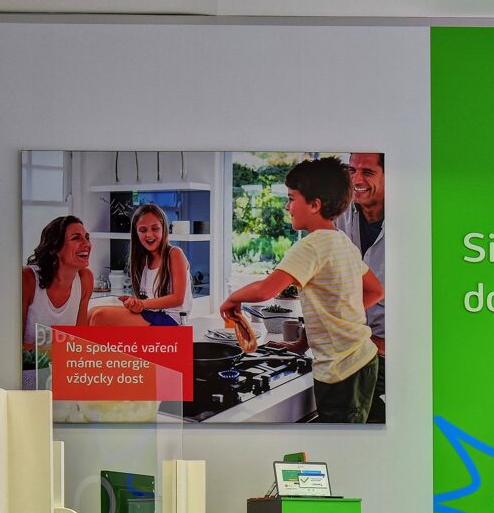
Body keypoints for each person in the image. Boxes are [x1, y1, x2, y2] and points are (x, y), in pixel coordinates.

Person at [220, 157, 383, 423]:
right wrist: (304, 342)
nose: (287, 207)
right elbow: (375, 291)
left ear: (315, 205)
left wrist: (232, 299)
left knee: (340, 444)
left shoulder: (310, 246)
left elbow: (264, 290)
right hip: (364, 361)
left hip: (340, 372)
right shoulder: (342, 242)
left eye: (291, 198)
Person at [335, 152, 386, 422]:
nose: (356, 180)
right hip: (351, 352)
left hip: (389, 357)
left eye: (367, 172)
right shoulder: (340, 218)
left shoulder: (412, 225)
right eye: (352, 171)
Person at [87, 203, 190, 327]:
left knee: (99, 317)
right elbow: (146, 298)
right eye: (143, 230)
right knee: (91, 313)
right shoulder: (144, 260)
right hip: (152, 313)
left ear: (164, 229)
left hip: (171, 319)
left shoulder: (174, 254)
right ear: (136, 233)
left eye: (155, 228)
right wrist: (134, 303)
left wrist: (141, 303)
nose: (149, 234)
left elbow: (178, 299)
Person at [22, 215, 95, 351]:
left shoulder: (85, 279)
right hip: (29, 364)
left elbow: (80, 341)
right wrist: (60, 352)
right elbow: (11, 344)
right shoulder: (28, 279)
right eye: (76, 238)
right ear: (54, 248)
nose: (86, 244)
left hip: (64, 360)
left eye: (87, 237)